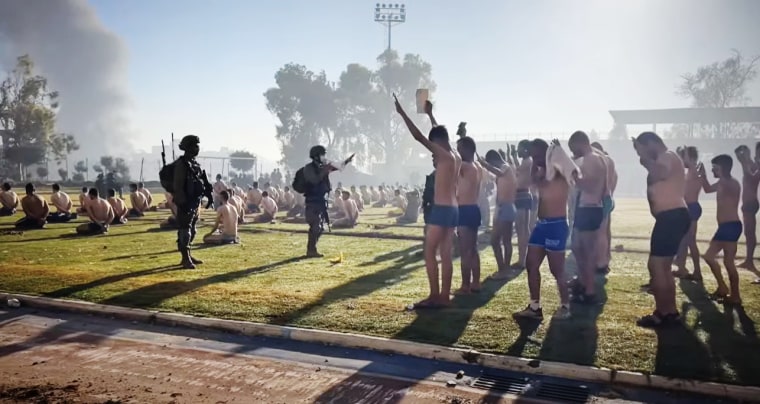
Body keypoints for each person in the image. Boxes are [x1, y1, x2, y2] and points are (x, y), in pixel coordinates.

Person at [396, 97, 460, 308]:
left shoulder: (442, 155)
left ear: (438, 143)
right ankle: (444, 296)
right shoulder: (455, 156)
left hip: (442, 209)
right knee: (446, 255)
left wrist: (402, 113)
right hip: (453, 209)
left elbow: (419, 137)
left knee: (430, 251)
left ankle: (435, 296)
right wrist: (431, 115)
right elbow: (440, 134)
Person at [633, 132, 690, 328]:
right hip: (672, 217)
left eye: (639, 148)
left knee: (656, 266)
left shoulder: (666, 156)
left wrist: (647, 161)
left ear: (650, 144)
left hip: (671, 216)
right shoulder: (668, 157)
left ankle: (662, 312)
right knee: (662, 267)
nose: (638, 154)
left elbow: (659, 174)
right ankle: (670, 312)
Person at [513, 139, 572, 321]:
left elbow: (571, 169)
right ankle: (534, 307)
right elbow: (530, 182)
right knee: (531, 265)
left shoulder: (559, 172)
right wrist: (536, 163)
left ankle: (565, 305)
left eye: (538, 155)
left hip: (556, 225)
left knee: (557, 270)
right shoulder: (540, 173)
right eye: (533, 155)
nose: (535, 159)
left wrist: (558, 151)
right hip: (542, 225)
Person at [567, 131, 608, 304]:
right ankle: (583, 283)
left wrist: (574, 175)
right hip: (586, 208)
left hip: (590, 208)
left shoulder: (592, 158)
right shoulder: (595, 158)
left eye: (573, 148)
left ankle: (589, 291)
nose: (574, 152)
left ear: (579, 143)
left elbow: (590, 186)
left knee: (587, 252)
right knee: (577, 248)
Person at [699, 155, 743, 305]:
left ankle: (735, 295)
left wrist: (718, 176)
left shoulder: (731, 183)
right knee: (709, 257)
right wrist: (703, 176)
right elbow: (707, 189)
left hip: (731, 226)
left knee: (727, 262)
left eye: (715, 167)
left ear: (723, 168)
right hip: (725, 227)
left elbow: (727, 187)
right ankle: (723, 288)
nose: (712, 170)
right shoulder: (722, 183)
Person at [302, 145, 352, 257]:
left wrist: (346, 162)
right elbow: (314, 180)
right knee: (315, 226)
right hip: (312, 202)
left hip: (321, 202)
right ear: (315, 156)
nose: (324, 157)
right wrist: (324, 170)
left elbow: (337, 167)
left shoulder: (322, 167)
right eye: (322, 155)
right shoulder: (309, 168)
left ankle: (312, 249)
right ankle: (311, 250)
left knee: (321, 227)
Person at [173, 135, 211, 269]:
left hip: (195, 201)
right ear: (188, 147)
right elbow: (178, 186)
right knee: (185, 231)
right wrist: (182, 203)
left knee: (193, 230)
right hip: (186, 203)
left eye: (197, 145)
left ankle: (188, 254)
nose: (197, 148)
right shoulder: (182, 165)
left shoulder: (195, 164)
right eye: (195, 145)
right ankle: (185, 258)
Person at [479, 149, 517, 278]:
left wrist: (485, 164)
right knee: (500, 241)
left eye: (492, 164)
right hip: (502, 208)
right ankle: (504, 269)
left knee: (499, 240)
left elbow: (499, 172)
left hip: (506, 208)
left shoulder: (506, 167)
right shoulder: (504, 170)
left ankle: (504, 270)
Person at [453, 136, 483, 295]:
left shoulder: (464, 166)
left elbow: (450, 155)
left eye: (459, 148)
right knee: (473, 249)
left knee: (465, 251)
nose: (457, 151)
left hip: (465, 210)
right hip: (474, 209)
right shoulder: (477, 166)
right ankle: (476, 283)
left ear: (466, 149)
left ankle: (465, 286)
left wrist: (432, 119)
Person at [673, 146, 703, 282]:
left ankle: (697, 271)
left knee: (691, 241)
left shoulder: (693, 171)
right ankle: (682, 268)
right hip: (687, 208)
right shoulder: (692, 171)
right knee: (683, 241)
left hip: (691, 208)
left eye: (683, 157)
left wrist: (684, 153)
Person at [591, 142, 618, 273]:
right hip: (608, 199)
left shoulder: (600, 161)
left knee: (600, 233)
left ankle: (601, 263)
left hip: (601, 199)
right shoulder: (610, 161)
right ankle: (605, 259)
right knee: (605, 231)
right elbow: (613, 182)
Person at [735, 144, 760, 272]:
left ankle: (749, 261)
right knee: (748, 233)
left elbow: (751, 177)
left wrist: (744, 162)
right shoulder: (755, 164)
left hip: (750, 203)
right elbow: (740, 156)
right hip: (748, 203)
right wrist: (744, 157)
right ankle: (748, 260)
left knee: (750, 233)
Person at [513, 141, 533, 269]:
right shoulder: (527, 161)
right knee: (524, 230)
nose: (518, 151)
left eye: (520, 149)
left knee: (522, 230)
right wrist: (514, 157)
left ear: (525, 150)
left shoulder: (527, 161)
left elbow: (518, 171)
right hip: (523, 195)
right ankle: (524, 258)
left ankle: (522, 260)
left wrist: (514, 156)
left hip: (522, 195)